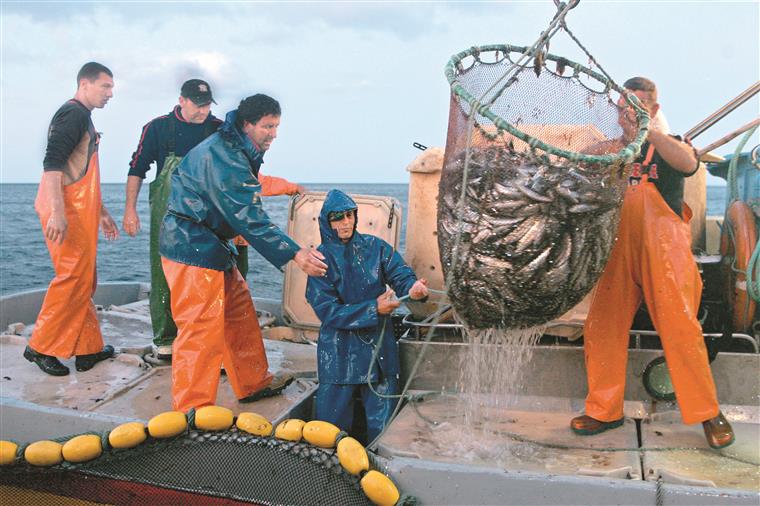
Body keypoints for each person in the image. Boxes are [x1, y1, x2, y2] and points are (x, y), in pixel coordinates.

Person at [571, 77, 734, 449]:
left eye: (643, 105)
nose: (634, 111)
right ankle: (603, 410)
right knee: (602, 326)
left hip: (665, 251)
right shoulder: (606, 150)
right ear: (617, 108)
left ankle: (708, 412)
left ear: (655, 109)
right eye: (628, 105)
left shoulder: (671, 146)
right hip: (614, 250)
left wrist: (650, 132)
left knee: (681, 326)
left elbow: (689, 164)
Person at [159, 93, 327, 413]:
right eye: (267, 126)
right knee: (200, 332)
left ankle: (253, 382)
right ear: (248, 124)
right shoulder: (225, 156)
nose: (273, 134)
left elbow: (246, 196)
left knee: (239, 314)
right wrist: (296, 254)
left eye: (276, 126)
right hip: (190, 247)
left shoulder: (235, 147)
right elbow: (249, 217)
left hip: (212, 245)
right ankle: (192, 410)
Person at [123, 80, 302, 360]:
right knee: (165, 278)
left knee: (228, 282)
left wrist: (287, 188)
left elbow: (244, 181)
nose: (204, 110)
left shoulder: (220, 130)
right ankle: (167, 339)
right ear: (182, 100)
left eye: (208, 104)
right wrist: (129, 210)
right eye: (198, 104)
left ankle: (219, 344)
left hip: (214, 218)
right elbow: (137, 169)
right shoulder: (158, 128)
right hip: (174, 216)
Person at [305, 190, 429, 443]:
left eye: (350, 215)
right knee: (329, 434)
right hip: (338, 355)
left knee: (383, 431)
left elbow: (401, 275)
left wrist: (414, 289)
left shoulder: (376, 247)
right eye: (338, 218)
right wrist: (374, 309)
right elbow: (327, 311)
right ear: (326, 223)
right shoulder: (319, 259)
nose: (346, 222)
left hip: (379, 351)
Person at [24, 62, 119, 376]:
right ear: (85, 84)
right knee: (71, 279)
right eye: (105, 86)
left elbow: (81, 169)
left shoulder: (84, 117)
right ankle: (40, 346)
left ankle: (88, 349)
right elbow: (52, 165)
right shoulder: (73, 114)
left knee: (84, 279)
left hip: (81, 210)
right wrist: (58, 213)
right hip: (66, 210)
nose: (110, 93)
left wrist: (102, 212)